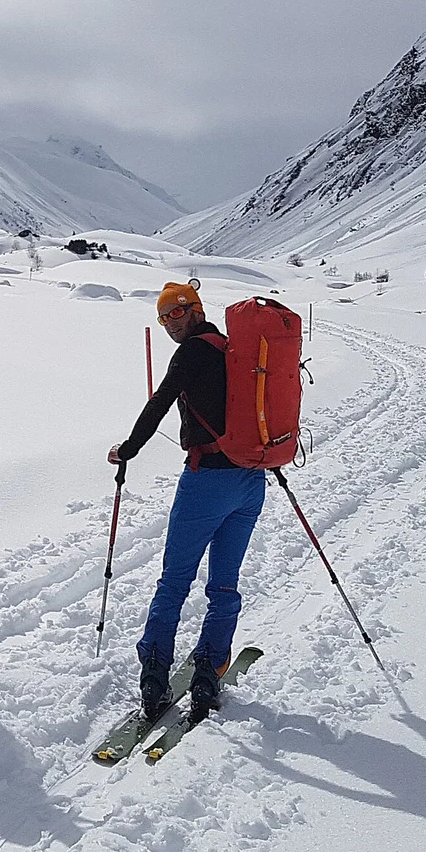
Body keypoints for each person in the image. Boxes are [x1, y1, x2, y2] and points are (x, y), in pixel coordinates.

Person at [107, 281, 265, 722]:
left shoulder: (192, 352)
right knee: (224, 586)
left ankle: (155, 675)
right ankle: (208, 672)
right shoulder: (236, 350)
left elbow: (160, 400)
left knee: (174, 582)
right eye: (163, 318)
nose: (170, 324)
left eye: (177, 314)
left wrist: (129, 447)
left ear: (196, 310)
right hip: (251, 481)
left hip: (207, 483)